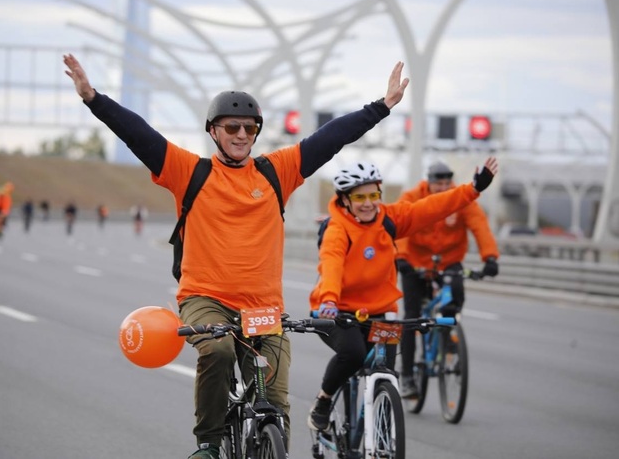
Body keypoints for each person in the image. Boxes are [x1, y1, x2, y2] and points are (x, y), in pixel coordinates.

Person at [64, 52, 408, 459]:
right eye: (232, 127)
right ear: (214, 131)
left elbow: (330, 138)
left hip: (264, 307)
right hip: (206, 298)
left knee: (275, 404)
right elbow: (139, 134)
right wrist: (93, 98)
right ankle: (209, 444)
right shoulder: (189, 172)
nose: (242, 134)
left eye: (250, 127)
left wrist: (382, 107)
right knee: (219, 350)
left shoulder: (276, 172)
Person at [306, 158, 498, 430]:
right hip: (337, 311)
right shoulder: (337, 229)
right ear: (345, 199)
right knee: (353, 354)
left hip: (381, 311)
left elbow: (433, 207)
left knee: (386, 372)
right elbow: (332, 263)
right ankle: (323, 400)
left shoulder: (389, 219)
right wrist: (329, 299)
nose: (368, 203)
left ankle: (381, 435)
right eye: (359, 197)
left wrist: (474, 188)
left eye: (374, 195)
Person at [395, 160, 500, 399]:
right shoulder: (412, 197)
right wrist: (400, 257)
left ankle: (448, 335)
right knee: (411, 316)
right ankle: (408, 376)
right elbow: (400, 223)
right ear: (428, 183)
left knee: (456, 293)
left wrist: (490, 257)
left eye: (446, 184)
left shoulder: (460, 198)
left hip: (449, 260)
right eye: (438, 184)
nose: (443, 188)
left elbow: (479, 226)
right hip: (415, 262)